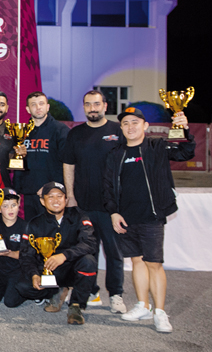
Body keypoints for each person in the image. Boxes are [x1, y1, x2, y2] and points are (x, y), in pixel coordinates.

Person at [104, 107, 194, 333]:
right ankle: (142, 305)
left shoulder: (157, 146)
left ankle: (160, 312)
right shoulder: (116, 154)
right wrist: (114, 212)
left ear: (145, 126)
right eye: (125, 123)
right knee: (136, 262)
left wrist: (184, 129)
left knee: (154, 263)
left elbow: (186, 152)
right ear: (121, 128)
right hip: (127, 217)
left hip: (152, 217)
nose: (130, 127)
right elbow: (108, 187)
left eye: (135, 122)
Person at [61, 90, 125, 313]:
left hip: (111, 208)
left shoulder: (118, 131)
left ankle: (116, 294)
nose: (93, 108)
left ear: (105, 106)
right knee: (87, 252)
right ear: (84, 107)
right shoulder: (76, 134)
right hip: (83, 206)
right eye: (88, 105)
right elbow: (68, 165)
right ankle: (91, 292)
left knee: (114, 253)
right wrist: (70, 195)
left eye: (97, 104)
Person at [17, 182, 98, 325]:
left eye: (60, 196)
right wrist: (34, 274)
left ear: (66, 199)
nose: (56, 200)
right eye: (51, 197)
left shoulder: (79, 216)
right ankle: (56, 292)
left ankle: (76, 306)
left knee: (89, 261)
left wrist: (64, 255)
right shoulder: (35, 223)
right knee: (23, 287)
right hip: (49, 270)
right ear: (42, 201)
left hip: (73, 267)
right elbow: (26, 254)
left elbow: (90, 244)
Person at [20, 92, 69, 220]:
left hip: (53, 194)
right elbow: (16, 163)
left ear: (47, 107)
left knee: (53, 234)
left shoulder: (60, 130)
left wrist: (53, 188)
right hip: (29, 193)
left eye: (41, 104)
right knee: (32, 233)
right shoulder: (21, 131)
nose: (38, 107)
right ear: (27, 109)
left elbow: (67, 163)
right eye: (33, 104)